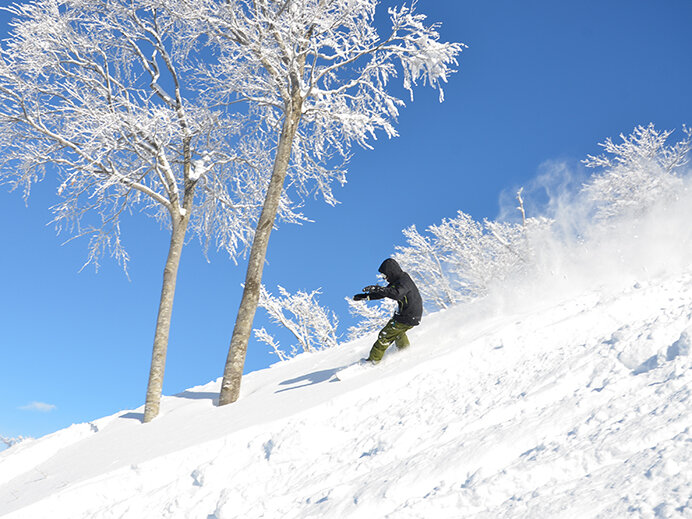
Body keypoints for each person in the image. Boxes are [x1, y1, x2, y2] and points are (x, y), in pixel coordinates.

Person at [353, 258, 423, 364]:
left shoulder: (404, 281)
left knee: (384, 336)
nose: (385, 278)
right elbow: (385, 293)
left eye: (385, 275)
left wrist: (378, 289)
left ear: (391, 272)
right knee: (398, 333)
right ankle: (405, 352)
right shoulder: (399, 279)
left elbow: (396, 294)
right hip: (409, 315)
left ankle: (372, 362)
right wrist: (366, 297)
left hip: (408, 315)